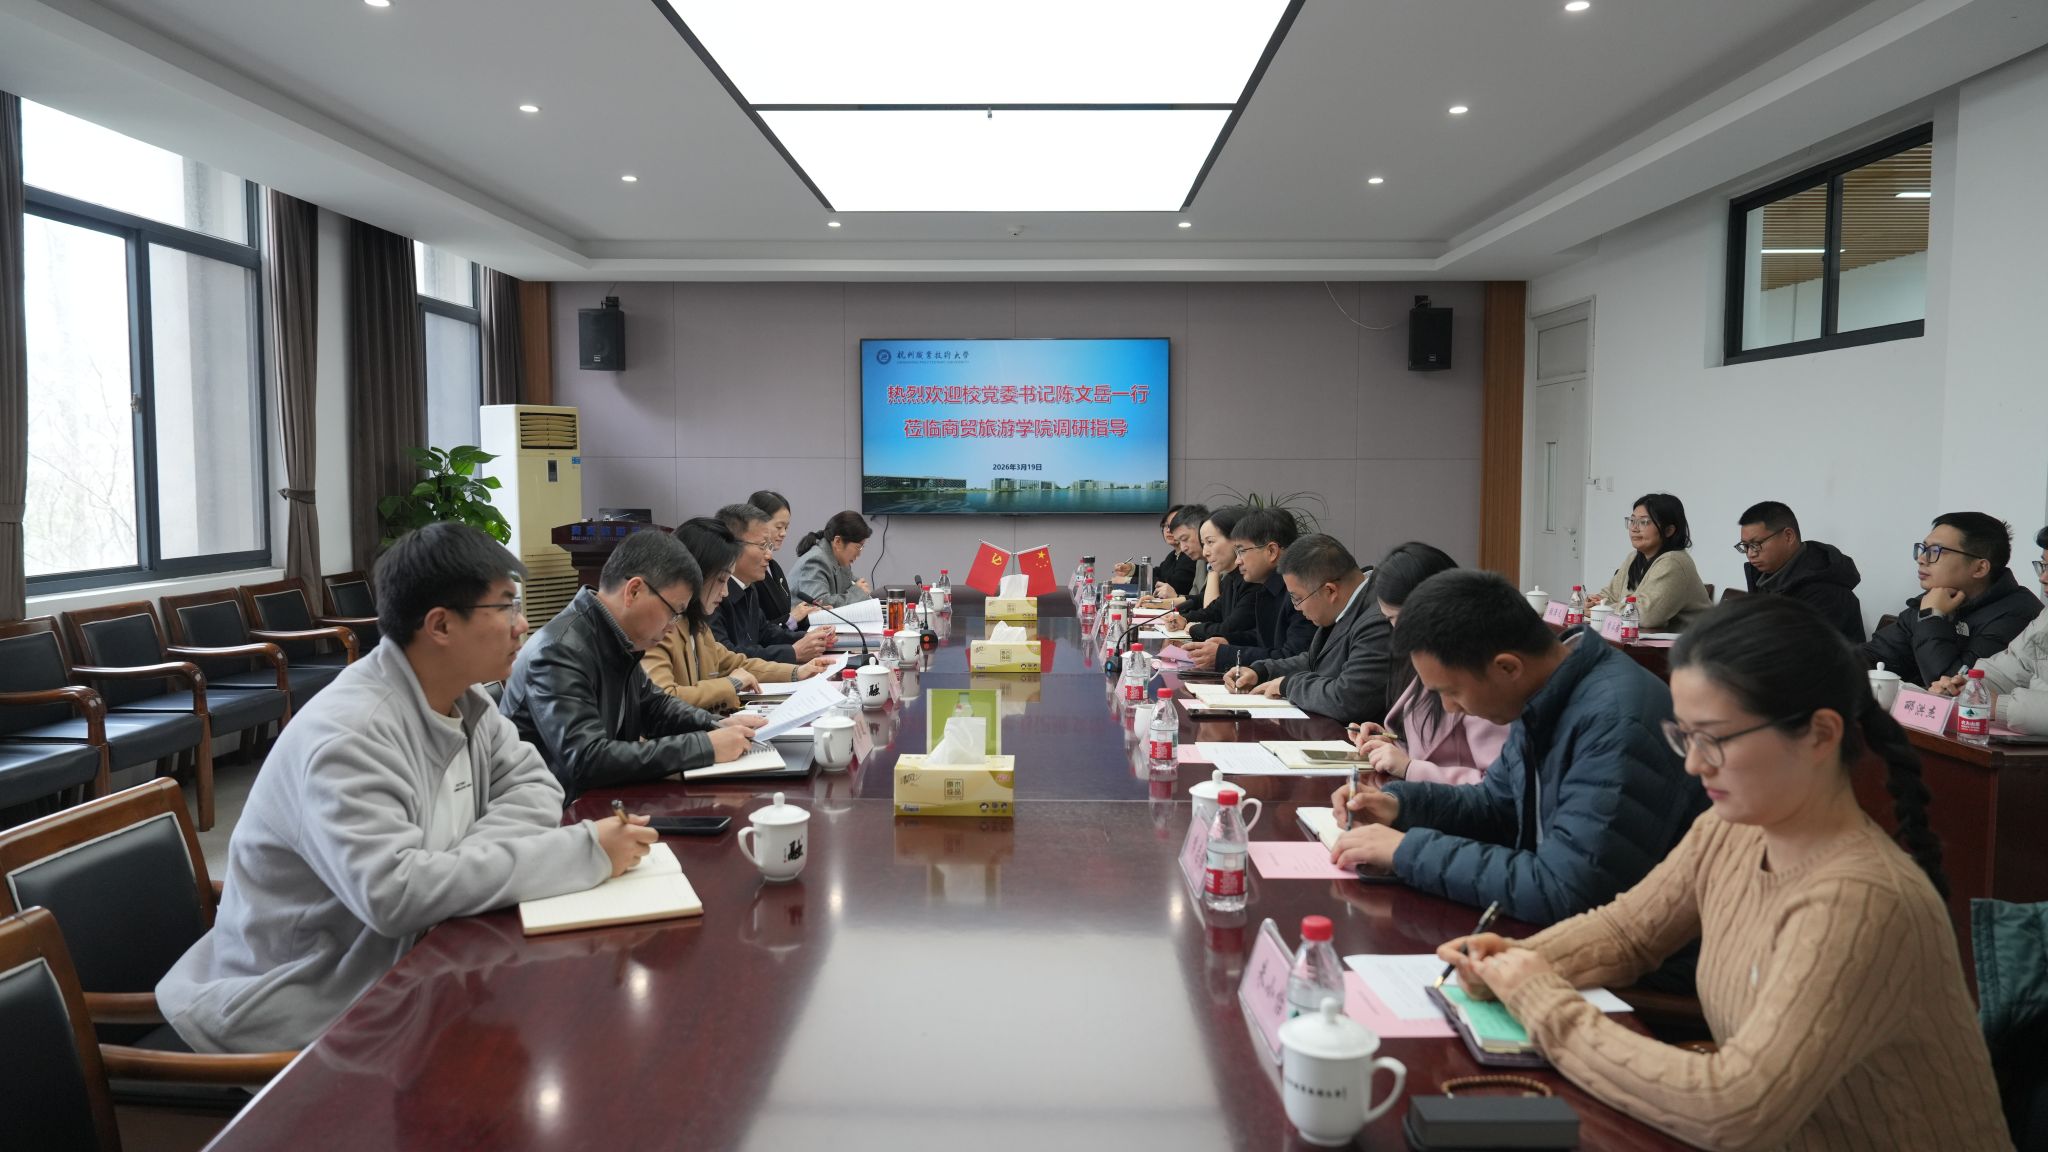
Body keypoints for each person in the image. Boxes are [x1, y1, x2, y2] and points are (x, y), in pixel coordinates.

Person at [1435, 596, 2009, 1151]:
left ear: (1819, 734)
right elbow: (1628, 932)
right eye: (1685, 736)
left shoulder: (1859, 899)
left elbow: (1734, 1109)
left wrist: (1540, 1001)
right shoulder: (1733, 828)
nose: (1692, 763)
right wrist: (1516, 962)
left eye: (1714, 739)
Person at [156, 524, 660, 1053]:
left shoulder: (464, 698)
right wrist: (582, 852)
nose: (523, 625)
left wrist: (450, 868)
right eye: (506, 607)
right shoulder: (351, 734)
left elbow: (534, 784)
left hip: (409, 966)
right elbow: (395, 895)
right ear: (440, 625)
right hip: (308, 1001)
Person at [1329, 570, 1704, 943]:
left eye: (1451, 692)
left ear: (1507, 667)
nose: (1450, 708)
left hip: (1643, 958)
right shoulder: (1549, 689)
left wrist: (1407, 852)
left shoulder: (1613, 724)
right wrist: (1399, 806)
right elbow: (1497, 804)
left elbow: (1565, 890)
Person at [501, 528, 765, 799]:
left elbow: (654, 707)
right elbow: (586, 758)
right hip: (554, 811)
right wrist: (705, 746)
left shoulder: (614, 636)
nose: (672, 627)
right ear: (634, 591)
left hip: (597, 801)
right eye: (674, 612)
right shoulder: (559, 651)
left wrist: (715, 725)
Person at [1345, 543, 1510, 785]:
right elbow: (1426, 746)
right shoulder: (1431, 659)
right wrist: (1391, 743)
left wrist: (1410, 767)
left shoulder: (1477, 671)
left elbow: (1497, 788)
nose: (1395, 631)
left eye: (1394, 618)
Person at [642, 517, 839, 712]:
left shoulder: (698, 626)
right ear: (696, 575)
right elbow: (663, 699)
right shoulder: (659, 628)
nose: (725, 592)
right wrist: (731, 684)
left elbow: (735, 662)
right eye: (721, 580)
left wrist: (798, 672)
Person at [1221, 534, 1391, 723]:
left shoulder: (1379, 620)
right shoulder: (1348, 604)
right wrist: (1262, 671)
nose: (1297, 608)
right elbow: (1314, 660)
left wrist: (1288, 685)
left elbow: (1348, 699)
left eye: (1297, 598)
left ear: (1330, 591)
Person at [1859, 512, 2042, 686]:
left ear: (1979, 568)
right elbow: (1877, 654)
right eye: (1923, 549)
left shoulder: (2017, 615)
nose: (1921, 559)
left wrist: (1932, 617)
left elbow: (1954, 686)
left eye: (1935, 551)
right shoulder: (1935, 598)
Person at [1929, 525, 2048, 733]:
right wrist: (1968, 687)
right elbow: (2012, 666)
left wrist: (1999, 706)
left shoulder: (2016, 609)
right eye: (2044, 565)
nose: (2043, 577)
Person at [1197, 507, 1316, 673]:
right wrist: (1228, 642)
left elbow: (1293, 658)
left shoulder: (1301, 591)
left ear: (1271, 551)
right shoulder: (1268, 586)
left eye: (1241, 551)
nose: (1237, 561)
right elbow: (1264, 639)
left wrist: (1226, 654)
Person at [712, 503, 834, 663]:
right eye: (762, 546)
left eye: (769, 546)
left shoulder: (748, 587)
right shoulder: (713, 595)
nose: (769, 555)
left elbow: (765, 633)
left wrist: (810, 637)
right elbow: (726, 657)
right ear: (732, 546)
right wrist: (793, 652)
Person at [1735, 501, 1866, 642]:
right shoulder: (1765, 580)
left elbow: (1792, 651)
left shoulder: (1827, 593)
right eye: (1745, 546)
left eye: (1755, 544)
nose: (1750, 554)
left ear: (1788, 536)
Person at [1588, 492, 1711, 632]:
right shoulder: (1634, 557)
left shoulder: (1673, 562)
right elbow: (1609, 595)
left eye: (1644, 522)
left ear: (1669, 530)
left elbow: (1646, 616)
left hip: (1694, 643)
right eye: (1632, 520)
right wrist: (1593, 602)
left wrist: (1602, 608)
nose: (1634, 528)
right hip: (1648, 641)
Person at [1164, 506, 1247, 668]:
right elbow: (1213, 610)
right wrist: (1185, 619)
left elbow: (1229, 628)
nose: (1206, 551)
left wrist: (1191, 627)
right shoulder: (1231, 578)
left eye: (1210, 542)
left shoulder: (1252, 581)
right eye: (1204, 544)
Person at [746, 489, 813, 627]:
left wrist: (805, 615)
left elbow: (783, 614)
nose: (783, 533)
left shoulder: (774, 566)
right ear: (757, 524)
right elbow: (758, 631)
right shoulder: (748, 571)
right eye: (779, 527)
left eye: (786, 528)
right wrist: (792, 618)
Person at [791, 509, 875, 607]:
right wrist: (857, 594)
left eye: (862, 547)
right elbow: (819, 604)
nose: (859, 554)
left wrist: (860, 589)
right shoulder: (816, 561)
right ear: (838, 541)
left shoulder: (840, 560)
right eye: (858, 547)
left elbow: (853, 586)